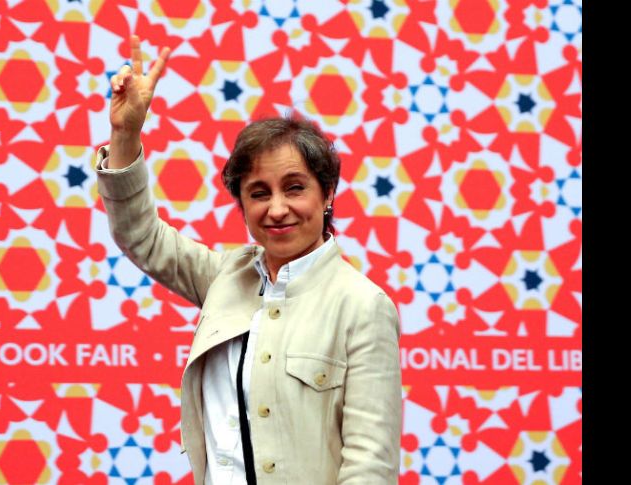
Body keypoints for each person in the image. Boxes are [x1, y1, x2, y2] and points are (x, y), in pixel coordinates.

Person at [95, 35, 401, 485]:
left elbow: (369, 467)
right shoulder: (225, 276)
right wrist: (125, 135)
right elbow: (139, 235)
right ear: (242, 204)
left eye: (294, 188)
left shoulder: (362, 306)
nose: (277, 209)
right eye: (259, 193)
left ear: (328, 193)